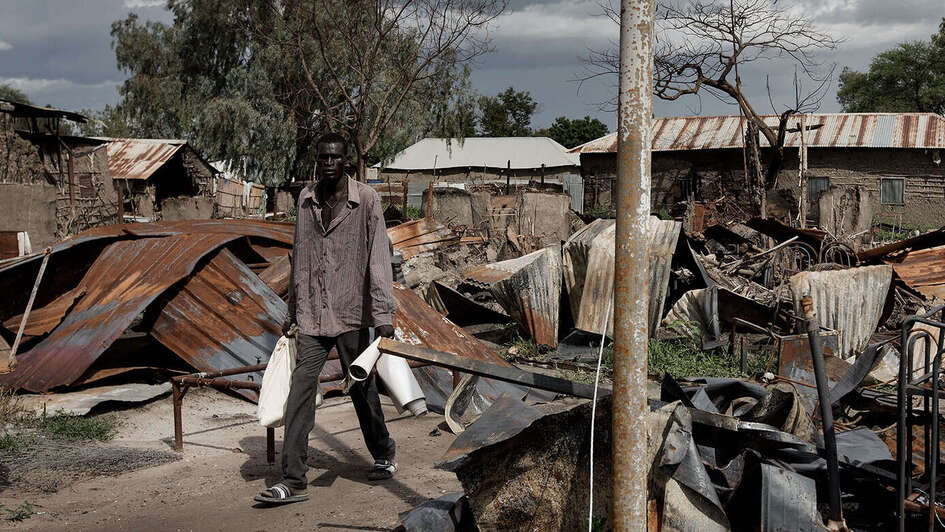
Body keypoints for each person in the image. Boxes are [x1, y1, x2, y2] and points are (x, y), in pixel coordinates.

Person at [255, 132, 398, 505]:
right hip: (314, 316)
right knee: (301, 388)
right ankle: (292, 480)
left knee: (361, 390)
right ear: (316, 160)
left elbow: (378, 259)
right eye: (322, 158)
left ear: (346, 160)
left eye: (335, 157)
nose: (328, 163)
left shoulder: (366, 200)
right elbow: (299, 258)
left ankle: (383, 451)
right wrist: (292, 312)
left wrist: (383, 314)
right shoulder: (305, 200)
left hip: (351, 313)